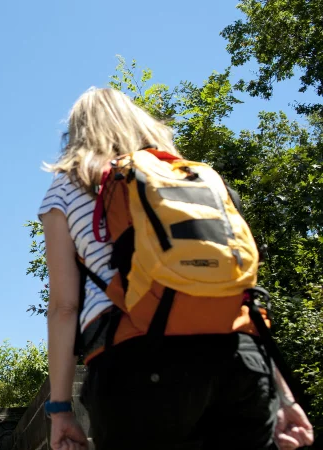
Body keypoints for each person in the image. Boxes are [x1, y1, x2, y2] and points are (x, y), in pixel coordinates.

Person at [39, 88, 314, 450]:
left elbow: (64, 307)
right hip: (239, 357)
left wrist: (60, 409)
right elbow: (240, 291)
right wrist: (286, 396)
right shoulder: (190, 175)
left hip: (137, 357)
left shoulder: (67, 185)